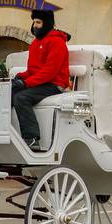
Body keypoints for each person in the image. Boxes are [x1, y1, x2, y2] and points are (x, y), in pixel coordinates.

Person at [10, 8, 71, 151]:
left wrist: (25, 83)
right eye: (34, 22)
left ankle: (32, 138)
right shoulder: (36, 43)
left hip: (54, 84)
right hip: (41, 83)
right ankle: (8, 134)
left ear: (47, 23)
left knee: (22, 97)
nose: (35, 25)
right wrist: (21, 77)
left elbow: (50, 72)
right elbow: (32, 70)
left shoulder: (57, 42)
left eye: (38, 22)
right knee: (7, 95)